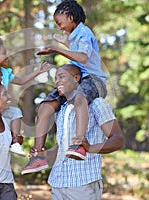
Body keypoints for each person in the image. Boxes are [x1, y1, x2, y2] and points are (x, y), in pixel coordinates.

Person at [22, 0, 108, 174]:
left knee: (79, 98)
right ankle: (38, 155)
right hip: (76, 80)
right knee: (45, 107)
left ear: (70, 15)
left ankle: (79, 144)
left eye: (60, 23)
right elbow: (77, 51)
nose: (59, 27)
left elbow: (83, 57)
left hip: (93, 80)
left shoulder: (83, 32)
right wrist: (63, 43)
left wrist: (57, 49)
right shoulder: (76, 36)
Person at [50, 64, 125, 199]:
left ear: (76, 78)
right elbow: (63, 147)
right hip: (57, 182)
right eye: (55, 78)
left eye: (61, 77)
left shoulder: (97, 104)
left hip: (83, 184)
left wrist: (90, 148)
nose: (57, 81)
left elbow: (118, 140)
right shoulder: (61, 109)